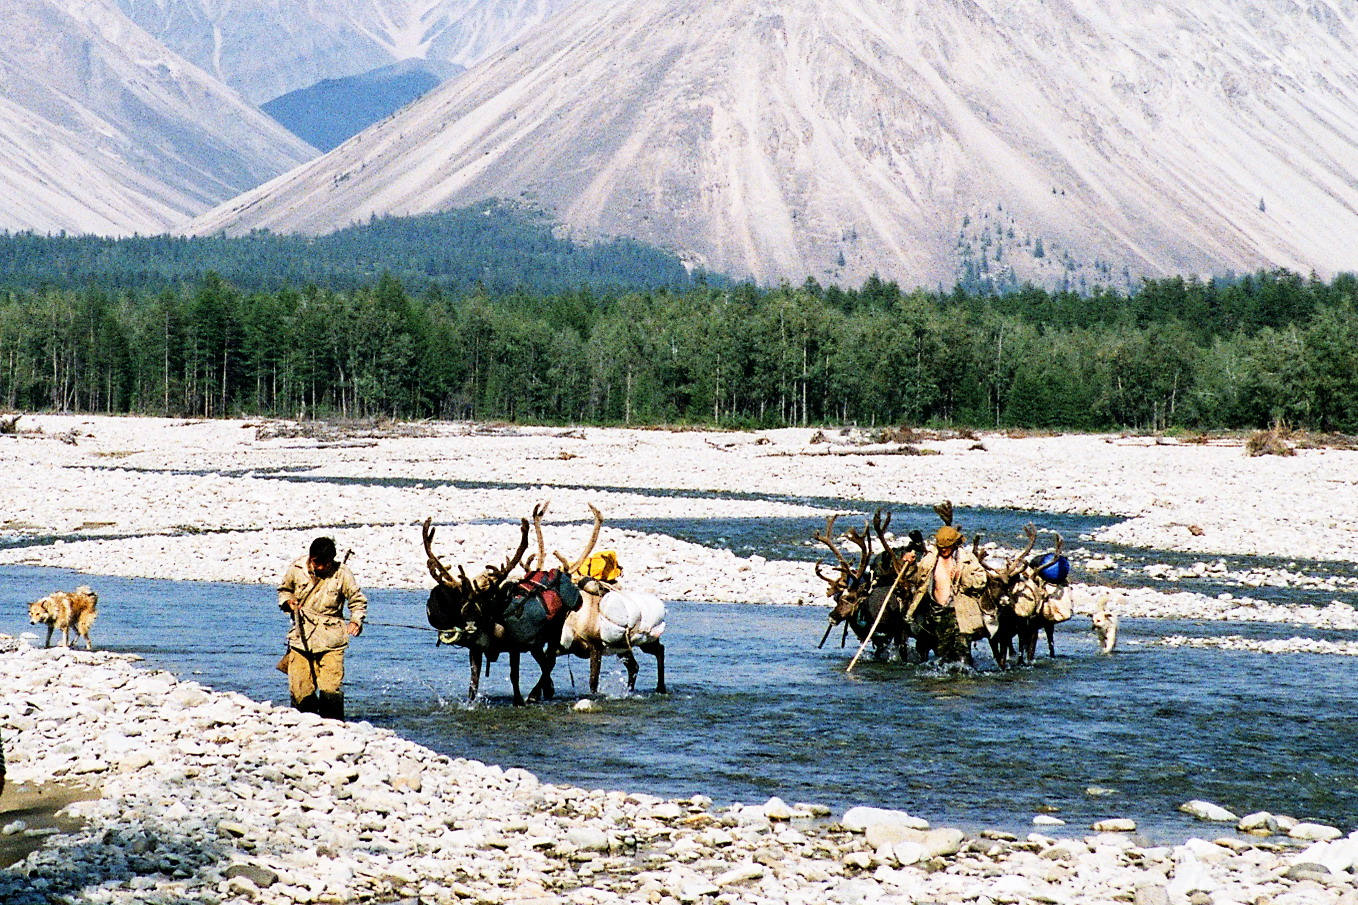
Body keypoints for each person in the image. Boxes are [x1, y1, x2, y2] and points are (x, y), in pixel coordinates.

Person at [277, 537, 366, 720]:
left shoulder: (342, 573)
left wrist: (356, 621)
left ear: (331, 560)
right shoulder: (297, 569)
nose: (321, 567)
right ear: (311, 558)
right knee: (300, 690)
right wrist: (289, 602)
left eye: (325, 564)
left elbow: (357, 600)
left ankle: (335, 729)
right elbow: (284, 590)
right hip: (301, 638)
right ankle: (303, 728)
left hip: (332, 641)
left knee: (330, 689)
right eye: (317, 563)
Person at [905, 525, 988, 664]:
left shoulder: (967, 559)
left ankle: (965, 675)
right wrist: (911, 565)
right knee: (943, 655)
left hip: (960, 612)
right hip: (937, 613)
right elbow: (915, 579)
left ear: (955, 544)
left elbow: (981, 581)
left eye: (947, 547)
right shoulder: (930, 559)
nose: (944, 550)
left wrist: (964, 576)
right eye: (941, 547)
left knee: (963, 654)